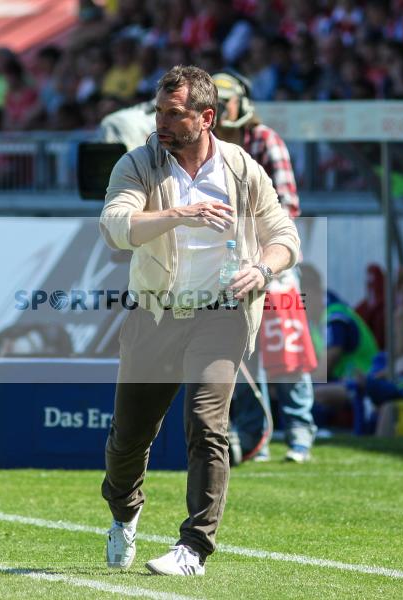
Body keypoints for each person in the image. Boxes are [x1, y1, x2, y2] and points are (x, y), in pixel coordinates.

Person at [99, 65, 299, 576]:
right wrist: (179, 215)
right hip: (156, 315)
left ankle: (194, 547)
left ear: (206, 117)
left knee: (208, 425)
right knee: (128, 438)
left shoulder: (241, 167)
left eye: (173, 113)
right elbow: (115, 226)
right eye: (158, 111)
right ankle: (125, 512)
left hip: (222, 315)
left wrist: (262, 268)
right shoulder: (137, 164)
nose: (160, 122)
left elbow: (285, 236)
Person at [210, 70, 314, 463]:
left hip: (273, 257)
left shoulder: (263, 140)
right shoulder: (208, 147)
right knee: (245, 351)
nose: (218, 109)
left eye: (225, 101)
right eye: (212, 102)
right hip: (228, 260)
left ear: (242, 103)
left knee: (287, 347)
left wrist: (262, 247)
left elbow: (287, 205)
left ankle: (301, 431)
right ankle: (258, 438)